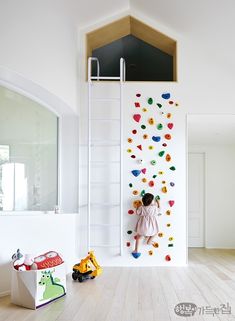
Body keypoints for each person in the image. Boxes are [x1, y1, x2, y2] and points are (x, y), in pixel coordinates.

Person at [132, 193, 160, 259]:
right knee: (156, 233)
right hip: (151, 227)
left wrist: (138, 207)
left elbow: (137, 213)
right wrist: (158, 203)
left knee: (138, 238)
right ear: (151, 201)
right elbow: (159, 211)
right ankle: (149, 241)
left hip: (143, 227)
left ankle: (136, 250)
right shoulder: (154, 207)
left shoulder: (141, 207)